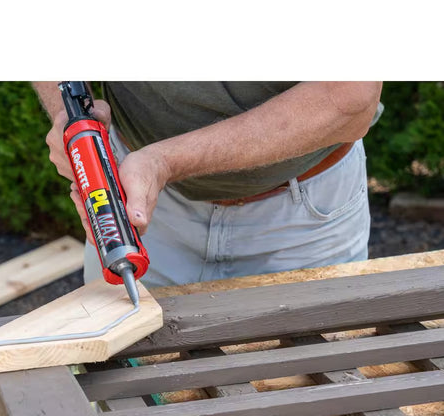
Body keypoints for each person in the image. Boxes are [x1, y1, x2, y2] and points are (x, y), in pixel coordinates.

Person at [33, 81, 383, 288]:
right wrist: (70, 112)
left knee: (305, 384)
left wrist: (164, 161)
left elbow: (350, 100)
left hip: (302, 223)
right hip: (135, 195)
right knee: (122, 380)